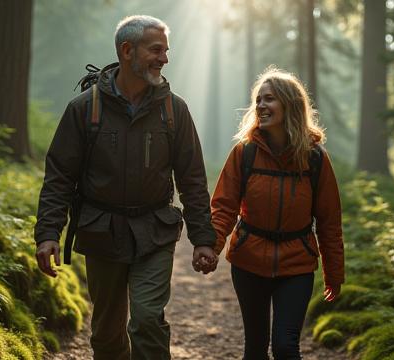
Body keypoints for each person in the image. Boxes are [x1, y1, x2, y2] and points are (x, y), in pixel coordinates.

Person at [34, 15, 217, 360]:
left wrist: (203, 239)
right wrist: (48, 234)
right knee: (106, 334)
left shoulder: (174, 110)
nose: (164, 58)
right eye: (156, 49)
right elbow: (59, 177)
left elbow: (192, 179)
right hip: (102, 232)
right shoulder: (84, 109)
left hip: (155, 231)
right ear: (126, 50)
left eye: (167, 50)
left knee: (147, 320)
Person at [210, 67, 345, 359]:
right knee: (256, 347)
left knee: (286, 346)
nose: (260, 106)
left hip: (296, 264)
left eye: (269, 99)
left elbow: (329, 222)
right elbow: (223, 207)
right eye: (258, 99)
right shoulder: (244, 153)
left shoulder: (315, 158)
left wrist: (334, 272)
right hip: (248, 261)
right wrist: (212, 248)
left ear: (290, 105)